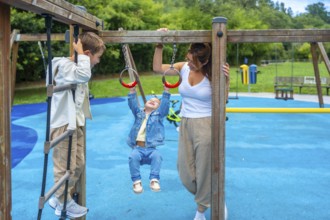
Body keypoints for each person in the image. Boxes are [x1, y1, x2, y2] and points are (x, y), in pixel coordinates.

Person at [153, 28, 230, 220]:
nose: (188, 63)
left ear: (205, 61)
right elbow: (156, 68)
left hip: (207, 124)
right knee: (185, 171)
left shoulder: (215, 72)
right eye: (188, 58)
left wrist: (226, 80)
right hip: (185, 123)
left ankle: (201, 210)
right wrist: (159, 43)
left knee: (204, 169)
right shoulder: (184, 67)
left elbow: (224, 101)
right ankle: (214, 194)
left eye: (193, 61)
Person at [47, 32, 106, 218]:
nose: (98, 62)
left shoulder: (75, 66)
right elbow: (82, 75)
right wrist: (81, 55)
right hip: (63, 124)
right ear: (87, 54)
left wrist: (82, 56)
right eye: (97, 58)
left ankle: (59, 198)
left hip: (75, 123)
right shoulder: (64, 66)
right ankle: (63, 202)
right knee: (65, 166)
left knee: (78, 163)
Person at [126, 85, 170, 194]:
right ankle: (136, 181)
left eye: (155, 102)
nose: (152, 101)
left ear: (158, 108)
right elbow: (132, 105)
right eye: (150, 100)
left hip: (151, 149)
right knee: (132, 157)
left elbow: (164, 106)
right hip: (138, 148)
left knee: (157, 156)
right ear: (144, 105)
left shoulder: (158, 115)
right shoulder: (139, 114)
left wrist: (166, 91)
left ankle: (154, 180)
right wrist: (132, 91)